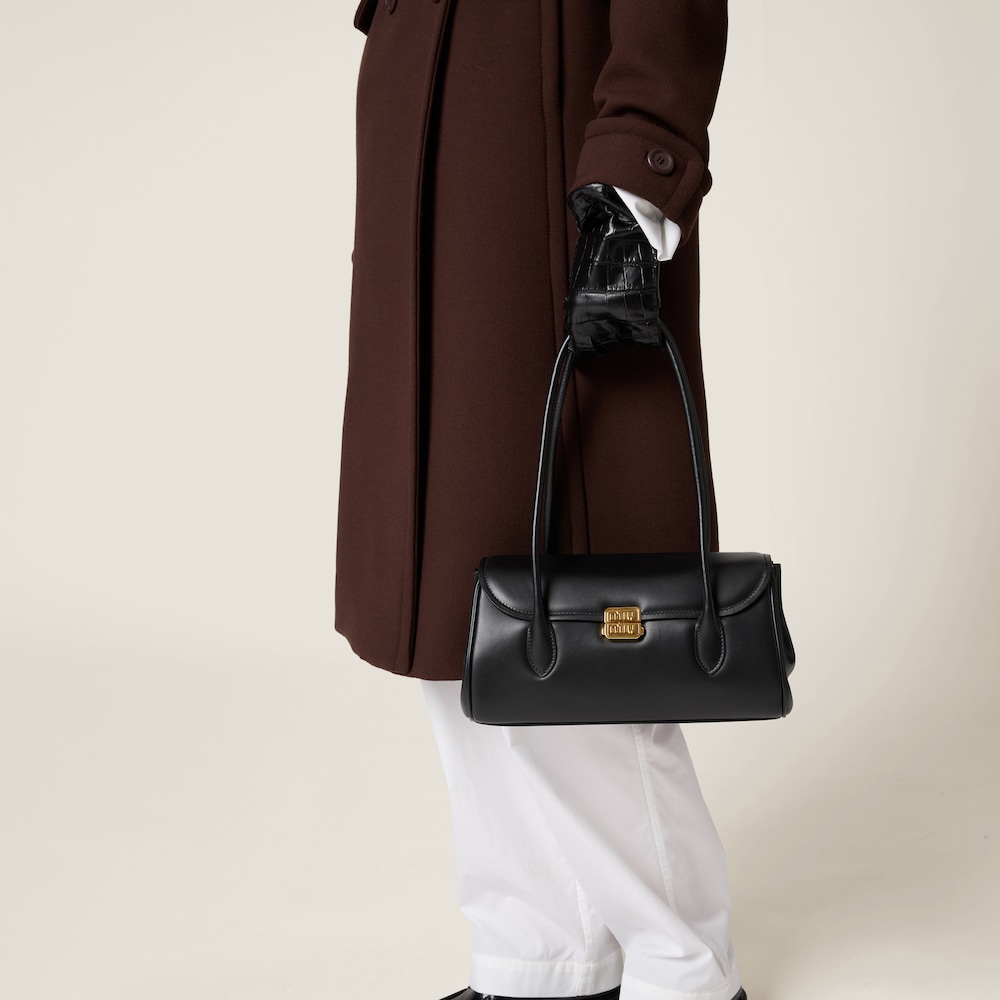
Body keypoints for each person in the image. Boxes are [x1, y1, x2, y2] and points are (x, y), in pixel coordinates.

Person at [335, 2, 743, 998]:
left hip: (547, 145)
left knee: (577, 611)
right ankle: (540, 951)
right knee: (459, 609)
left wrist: (637, 170)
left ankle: (683, 966)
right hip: (436, 127)